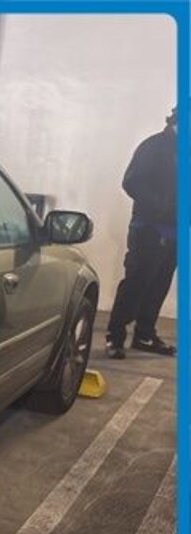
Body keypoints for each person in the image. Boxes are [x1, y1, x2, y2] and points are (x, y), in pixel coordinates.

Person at [105, 107, 177, 359]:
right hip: (148, 229)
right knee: (136, 284)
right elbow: (132, 181)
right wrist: (161, 206)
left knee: (159, 285)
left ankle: (144, 335)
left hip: (175, 234)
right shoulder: (154, 146)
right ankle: (115, 337)